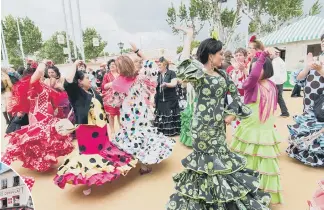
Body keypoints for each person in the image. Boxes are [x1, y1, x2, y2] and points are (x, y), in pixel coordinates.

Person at [167, 26, 271, 210]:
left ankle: (221, 201)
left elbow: (236, 96)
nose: (223, 57)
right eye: (220, 54)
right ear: (210, 56)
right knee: (206, 165)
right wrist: (189, 37)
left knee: (221, 163)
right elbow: (182, 64)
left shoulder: (222, 74)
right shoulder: (198, 74)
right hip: (202, 128)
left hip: (218, 127)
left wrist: (231, 113)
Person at [54, 60, 137, 194]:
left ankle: (105, 175)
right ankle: (89, 183)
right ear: (80, 82)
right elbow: (69, 80)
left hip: (101, 130)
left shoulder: (92, 91)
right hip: (87, 131)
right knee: (89, 156)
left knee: (103, 152)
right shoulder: (75, 93)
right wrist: (75, 64)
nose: (89, 79)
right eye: (86, 77)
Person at [104, 52, 175, 175]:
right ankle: (144, 164)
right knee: (144, 134)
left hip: (128, 114)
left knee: (131, 136)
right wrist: (138, 51)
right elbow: (152, 68)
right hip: (141, 111)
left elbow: (114, 100)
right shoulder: (140, 77)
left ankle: (134, 161)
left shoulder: (117, 82)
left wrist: (111, 87)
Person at [230, 49, 283, 204]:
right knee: (249, 159)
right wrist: (262, 56)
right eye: (253, 68)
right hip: (250, 129)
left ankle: (262, 194)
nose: (254, 70)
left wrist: (259, 60)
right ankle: (246, 191)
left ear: (265, 69)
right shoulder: (251, 84)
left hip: (264, 130)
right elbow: (252, 76)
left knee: (265, 162)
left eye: (257, 67)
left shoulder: (272, 84)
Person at [2, 62, 74, 172]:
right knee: (41, 137)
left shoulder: (41, 84)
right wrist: (43, 62)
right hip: (39, 114)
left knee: (45, 138)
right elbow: (40, 70)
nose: (41, 75)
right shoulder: (32, 84)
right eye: (38, 74)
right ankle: (41, 162)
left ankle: (45, 161)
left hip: (46, 114)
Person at [286, 34, 324, 167]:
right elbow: (299, 78)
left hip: (322, 104)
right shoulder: (316, 59)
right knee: (308, 126)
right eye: (323, 41)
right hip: (309, 103)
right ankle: (306, 154)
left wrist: (320, 70)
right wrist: (308, 66)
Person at [154, 57, 181, 136]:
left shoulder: (171, 73)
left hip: (170, 99)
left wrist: (166, 84)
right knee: (161, 115)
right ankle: (162, 131)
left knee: (169, 115)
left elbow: (174, 83)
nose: (158, 66)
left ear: (165, 65)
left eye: (160, 65)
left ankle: (171, 132)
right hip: (159, 99)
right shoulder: (157, 74)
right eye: (158, 65)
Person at [269, 47, 290, 117]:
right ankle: (284, 112)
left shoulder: (276, 62)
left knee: (277, 97)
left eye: (271, 54)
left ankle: (284, 112)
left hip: (276, 83)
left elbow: (275, 75)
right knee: (278, 97)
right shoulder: (279, 61)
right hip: (279, 82)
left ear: (276, 54)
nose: (270, 55)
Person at [102, 59, 120, 136]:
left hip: (121, 98)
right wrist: (111, 84)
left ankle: (122, 129)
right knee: (111, 115)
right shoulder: (107, 75)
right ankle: (112, 131)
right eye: (110, 64)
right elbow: (103, 86)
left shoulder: (120, 74)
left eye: (114, 64)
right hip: (111, 99)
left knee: (121, 114)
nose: (112, 65)